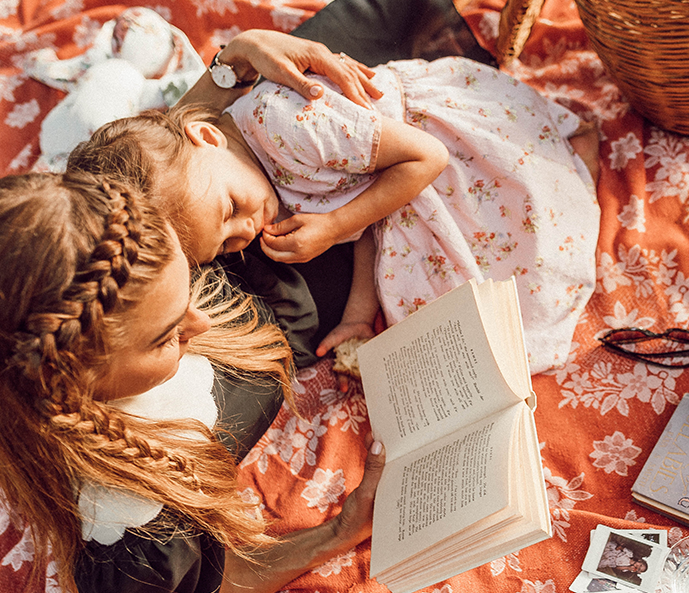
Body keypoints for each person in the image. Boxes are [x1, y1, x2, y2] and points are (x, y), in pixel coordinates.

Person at [0, 171, 387, 593]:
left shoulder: (108, 249)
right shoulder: (133, 532)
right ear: (72, 386)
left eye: (189, 277)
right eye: (165, 337)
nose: (199, 321)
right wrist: (340, 532)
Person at [69, 54, 602, 373]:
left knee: (533, 231)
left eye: (230, 210)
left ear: (207, 136)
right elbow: (367, 221)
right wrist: (354, 317)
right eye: (228, 244)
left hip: (433, 147)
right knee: (451, 322)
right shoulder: (244, 180)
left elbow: (427, 158)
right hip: (395, 188)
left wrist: (334, 226)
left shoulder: (285, 124)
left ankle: (578, 160)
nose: (246, 230)